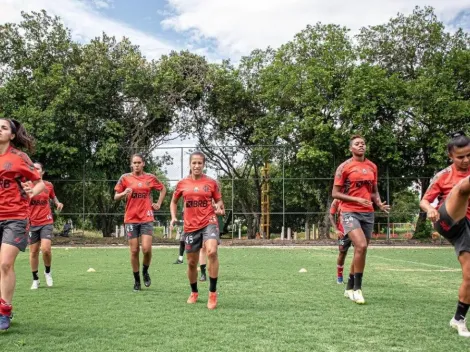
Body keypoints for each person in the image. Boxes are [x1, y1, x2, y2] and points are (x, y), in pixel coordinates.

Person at [420, 132, 470, 337]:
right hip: (447, 220)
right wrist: (429, 210)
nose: (466, 160)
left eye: (469, 155)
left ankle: (458, 319)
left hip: (467, 228)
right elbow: (424, 200)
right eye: (461, 157)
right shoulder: (443, 176)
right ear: (451, 156)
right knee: (461, 189)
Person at [332, 135, 389, 304]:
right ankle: (358, 289)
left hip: (368, 212)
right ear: (351, 148)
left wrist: (378, 203)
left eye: (363, 143)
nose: (361, 145)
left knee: (361, 250)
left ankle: (349, 288)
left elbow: (374, 190)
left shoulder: (372, 166)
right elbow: (335, 194)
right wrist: (356, 200)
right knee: (361, 245)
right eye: (357, 144)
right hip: (349, 212)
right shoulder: (344, 167)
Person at [0, 118, 45, 331]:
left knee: (5, 264)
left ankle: (5, 311)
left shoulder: (19, 158)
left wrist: (31, 192)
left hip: (15, 217)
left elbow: (39, 183)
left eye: (3, 128)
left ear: (11, 135)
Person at [170, 151, 225, 310]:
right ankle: (194, 292)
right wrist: (173, 217)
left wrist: (219, 208)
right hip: (190, 227)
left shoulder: (211, 183)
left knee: (212, 252)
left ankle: (212, 293)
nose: (196, 166)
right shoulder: (182, 184)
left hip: (209, 221)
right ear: (190, 164)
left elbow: (219, 201)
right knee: (192, 262)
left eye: (199, 163)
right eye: (194, 163)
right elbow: (173, 202)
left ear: (204, 164)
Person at [114, 153, 166, 292]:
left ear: (143, 163)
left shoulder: (150, 178)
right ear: (131, 164)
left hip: (146, 218)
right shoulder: (125, 178)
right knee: (134, 250)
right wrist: (124, 193)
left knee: (147, 249)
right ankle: (137, 280)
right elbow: (116, 196)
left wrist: (158, 203)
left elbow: (163, 189)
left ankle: (145, 271)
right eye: (134, 163)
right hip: (131, 218)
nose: (136, 165)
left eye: (139, 162)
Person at [29, 162, 64, 289]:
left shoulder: (48, 185)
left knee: (46, 249)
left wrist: (58, 203)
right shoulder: (27, 185)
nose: (34, 170)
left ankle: (48, 272)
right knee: (33, 252)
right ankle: (35, 279)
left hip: (46, 221)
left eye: (37, 168)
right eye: (32, 168)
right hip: (32, 223)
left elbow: (53, 197)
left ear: (42, 172)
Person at [329, 199, 351, 284]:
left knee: (358, 252)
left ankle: (354, 277)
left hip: (355, 231)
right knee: (342, 252)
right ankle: (339, 276)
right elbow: (331, 215)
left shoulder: (354, 196)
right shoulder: (336, 200)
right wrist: (336, 230)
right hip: (342, 233)